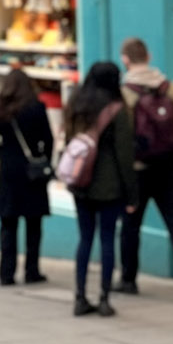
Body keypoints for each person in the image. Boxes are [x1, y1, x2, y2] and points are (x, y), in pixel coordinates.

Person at [117, 37, 173, 303]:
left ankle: (128, 279)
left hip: (137, 170)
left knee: (131, 225)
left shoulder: (124, 95)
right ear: (149, 56)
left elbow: (120, 138)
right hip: (167, 168)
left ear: (125, 59)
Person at [64, 62, 137, 317]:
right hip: (109, 185)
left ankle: (80, 296)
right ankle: (104, 297)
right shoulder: (118, 110)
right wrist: (132, 193)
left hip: (80, 181)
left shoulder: (76, 103)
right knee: (107, 240)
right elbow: (124, 155)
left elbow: (68, 141)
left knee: (85, 238)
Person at [0, 66, 53, 286]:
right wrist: (43, 159)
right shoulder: (36, 108)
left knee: (8, 224)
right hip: (32, 172)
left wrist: (4, 155)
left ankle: (7, 272)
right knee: (34, 224)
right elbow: (48, 139)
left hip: (8, 172)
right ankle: (32, 270)